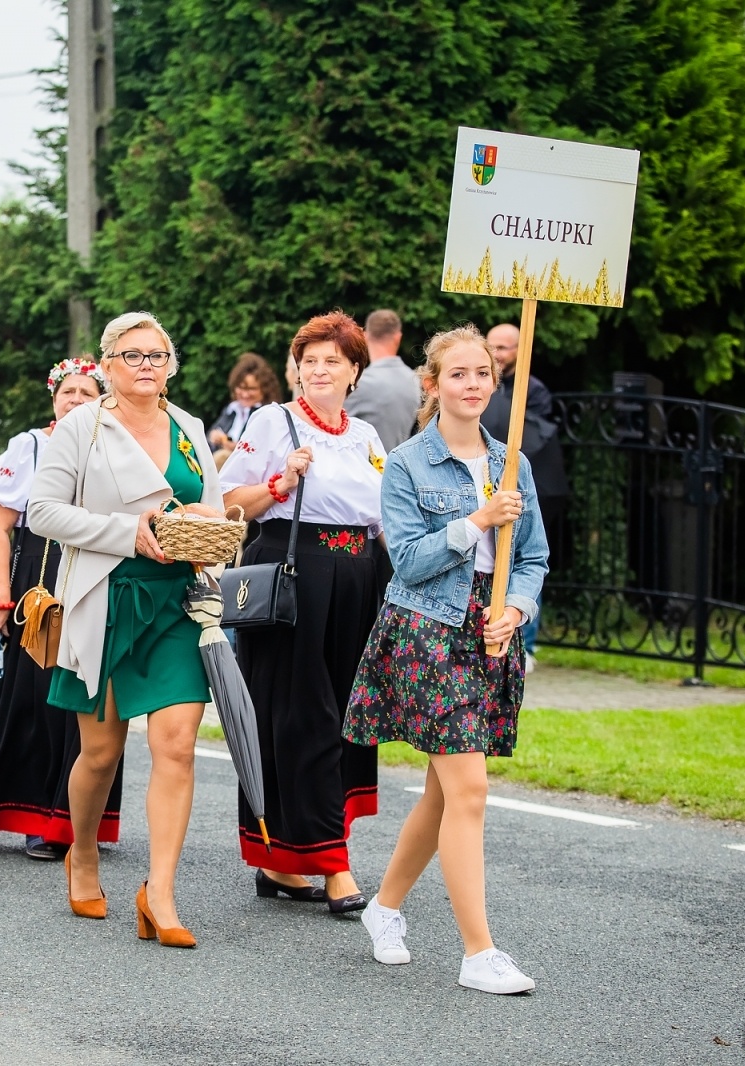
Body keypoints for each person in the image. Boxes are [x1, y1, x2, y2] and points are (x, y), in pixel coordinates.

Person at [343, 324, 548, 995]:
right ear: (431, 385)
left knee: (443, 792)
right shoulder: (405, 464)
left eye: (482, 374)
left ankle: (385, 906)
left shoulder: (513, 461)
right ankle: (478, 953)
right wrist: (476, 522)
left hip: (489, 635)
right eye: (457, 374)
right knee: (469, 788)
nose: (472, 385)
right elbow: (407, 560)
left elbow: (533, 558)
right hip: (427, 634)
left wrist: (514, 609)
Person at [29, 311, 225, 949]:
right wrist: (126, 533)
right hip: (106, 600)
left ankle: (160, 892)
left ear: (171, 364)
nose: (146, 365)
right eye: (132, 355)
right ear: (107, 366)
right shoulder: (81, 428)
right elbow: (42, 511)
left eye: (157, 355)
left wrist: (203, 525)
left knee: (175, 745)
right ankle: (81, 851)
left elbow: (213, 507)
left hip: (177, 604)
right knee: (102, 752)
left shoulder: (191, 428)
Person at [218, 310, 383, 914]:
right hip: (296, 573)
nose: (317, 370)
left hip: (358, 576)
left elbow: (383, 519)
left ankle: (285, 861)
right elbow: (231, 503)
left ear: (354, 371)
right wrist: (282, 483)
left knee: (344, 715)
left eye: (331, 360)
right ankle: (332, 864)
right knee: (300, 714)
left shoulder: (366, 437)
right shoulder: (273, 421)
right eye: (307, 360)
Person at [0, 358, 123, 860]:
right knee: (40, 695)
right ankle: (39, 817)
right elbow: (0, 528)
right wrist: (0, 597)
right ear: (53, 398)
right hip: (40, 582)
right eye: (67, 391)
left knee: (94, 695)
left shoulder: (119, 445)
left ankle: (83, 818)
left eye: (87, 392)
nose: (75, 400)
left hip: (101, 576)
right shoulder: (32, 447)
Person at [481, 322, 569, 664]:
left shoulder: (532, 390)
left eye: (504, 348)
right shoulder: (481, 384)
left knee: (523, 558)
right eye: (493, 347)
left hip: (516, 487)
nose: (498, 355)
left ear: (520, 351)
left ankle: (525, 642)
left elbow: (533, 437)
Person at [344, 310, 421, 453]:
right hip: (399, 468)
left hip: (363, 469)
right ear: (398, 338)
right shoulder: (414, 381)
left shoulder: (359, 383)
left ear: (365, 337)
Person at [208, 352, 280, 463]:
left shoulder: (268, 415)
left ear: (265, 389)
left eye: (251, 389)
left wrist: (237, 448)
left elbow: (266, 451)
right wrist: (214, 437)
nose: (245, 395)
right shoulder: (230, 410)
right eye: (241, 388)